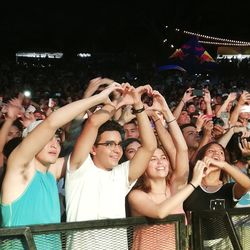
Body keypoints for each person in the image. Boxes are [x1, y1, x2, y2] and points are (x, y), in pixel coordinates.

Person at [0, 83, 120, 248]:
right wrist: (97, 98)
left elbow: (91, 130)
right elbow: (51, 123)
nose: (54, 144)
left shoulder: (52, 172)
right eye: (46, 140)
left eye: (56, 139)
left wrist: (115, 105)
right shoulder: (19, 168)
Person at [65, 84, 157, 249]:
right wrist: (119, 102)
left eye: (119, 144)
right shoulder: (79, 168)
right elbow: (93, 122)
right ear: (93, 149)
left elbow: (149, 146)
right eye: (109, 144)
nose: (116, 149)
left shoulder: (122, 175)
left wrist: (137, 104)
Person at [127, 90, 204, 250]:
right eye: (153, 159)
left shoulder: (174, 187)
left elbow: (181, 149)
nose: (160, 162)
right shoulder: (136, 195)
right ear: (143, 167)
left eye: (163, 158)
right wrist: (193, 183)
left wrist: (162, 112)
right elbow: (160, 212)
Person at [183, 141, 250, 249]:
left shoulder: (227, 189)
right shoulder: (189, 186)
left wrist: (224, 165)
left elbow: (247, 184)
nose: (217, 154)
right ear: (201, 157)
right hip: (194, 244)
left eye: (221, 153)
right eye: (211, 151)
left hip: (223, 245)